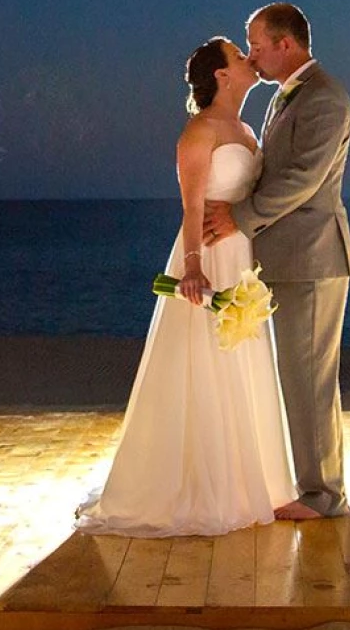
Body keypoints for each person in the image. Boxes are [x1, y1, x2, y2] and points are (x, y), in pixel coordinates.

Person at [75, 37, 298, 536]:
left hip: (242, 256)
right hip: (210, 253)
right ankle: (203, 485)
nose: (248, 59)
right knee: (205, 359)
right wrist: (193, 267)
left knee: (243, 358)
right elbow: (192, 206)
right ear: (221, 75)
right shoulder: (198, 132)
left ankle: (250, 480)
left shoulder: (243, 128)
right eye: (239, 57)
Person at [205, 3, 350, 519]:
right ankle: (305, 483)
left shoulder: (326, 99)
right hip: (285, 258)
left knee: (309, 377)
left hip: (312, 258)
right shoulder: (286, 98)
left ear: (285, 44)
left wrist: (239, 218)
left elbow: (303, 180)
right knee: (293, 375)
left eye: (257, 45)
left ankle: (324, 495)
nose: (251, 55)